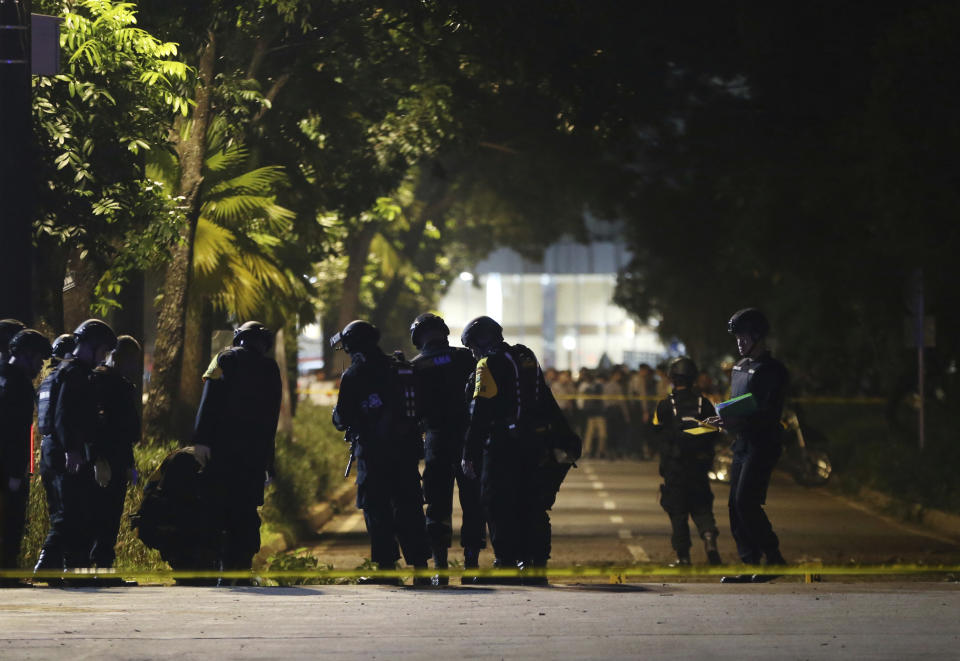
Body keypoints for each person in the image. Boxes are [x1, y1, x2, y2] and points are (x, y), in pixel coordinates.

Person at [460, 316, 575, 585]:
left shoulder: (487, 365)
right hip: (536, 445)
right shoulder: (526, 356)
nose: (473, 353)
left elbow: (480, 413)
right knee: (532, 504)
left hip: (502, 446)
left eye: (473, 347)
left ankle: (507, 564)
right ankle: (535, 565)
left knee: (497, 503)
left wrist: (469, 453)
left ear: (482, 342)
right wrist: (565, 437)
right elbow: (545, 398)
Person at [331, 320, 430, 585]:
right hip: (406, 451)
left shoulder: (355, 374)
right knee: (409, 506)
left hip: (373, 454)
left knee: (377, 509)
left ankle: (387, 570)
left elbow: (342, 418)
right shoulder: (400, 367)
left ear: (352, 345)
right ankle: (421, 568)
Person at [704, 308, 789, 583]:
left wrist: (736, 420)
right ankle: (751, 561)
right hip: (741, 442)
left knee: (747, 502)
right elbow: (737, 403)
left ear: (758, 336)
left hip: (762, 443)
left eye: (744, 336)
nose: (739, 342)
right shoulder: (740, 367)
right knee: (733, 505)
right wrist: (723, 419)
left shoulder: (773, 371)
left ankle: (773, 559)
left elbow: (767, 411)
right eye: (737, 337)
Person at [193, 321, 282, 580]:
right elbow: (271, 420)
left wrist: (201, 439)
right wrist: (270, 463)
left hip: (222, 453)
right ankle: (239, 569)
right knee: (244, 514)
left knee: (217, 511)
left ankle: (218, 571)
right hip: (253, 457)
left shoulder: (224, 359)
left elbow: (208, 400)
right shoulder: (270, 368)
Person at [35, 319, 117, 576]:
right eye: (103, 351)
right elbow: (64, 415)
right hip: (64, 453)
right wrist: (72, 449)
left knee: (73, 512)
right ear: (91, 347)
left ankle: (71, 567)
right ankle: (48, 563)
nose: (103, 357)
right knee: (69, 512)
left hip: (56, 451)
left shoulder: (70, 372)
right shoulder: (74, 374)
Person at [409, 313, 484, 585]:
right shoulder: (467, 358)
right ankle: (472, 564)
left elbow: (411, 413)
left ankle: (440, 566)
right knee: (473, 502)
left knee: (437, 505)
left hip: (437, 441)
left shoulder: (415, 367)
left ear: (417, 338)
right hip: (469, 440)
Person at [652, 356, 722, 567]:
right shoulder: (705, 403)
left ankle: (683, 556)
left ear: (673, 378)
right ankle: (709, 538)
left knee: (678, 511)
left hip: (676, 467)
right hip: (699, 467)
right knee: (702, 507)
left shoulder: (666, 405)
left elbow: (654, 430)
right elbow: (715, 432)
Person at [0, 330, 52, 585]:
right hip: (8, 468)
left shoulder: (4, 378)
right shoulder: (17, 386)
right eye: (39, 360)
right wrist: (14, 472)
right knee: (11, 523)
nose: (40, 367)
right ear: (26, 355)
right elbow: (14, 432)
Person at [89, 335, 141, 573]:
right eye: (131, 360)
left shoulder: (118, 382)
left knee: (110, 516)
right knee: (103, 515)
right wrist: (98, 457)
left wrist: (130, 464)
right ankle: (97, 565)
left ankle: (102, 564)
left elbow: (125, 432)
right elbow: (98, 424)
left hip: (117, 457)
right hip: (106, 459)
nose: (134, 366)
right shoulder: (102, 381)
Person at [577, 369, 607, 458]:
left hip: (600, 413)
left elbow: (597, 396)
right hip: (591, 413)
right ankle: (588, 451)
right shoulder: (587, 386)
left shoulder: (598, 385)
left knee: (602, 434)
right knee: (589, 434)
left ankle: (600, 451)